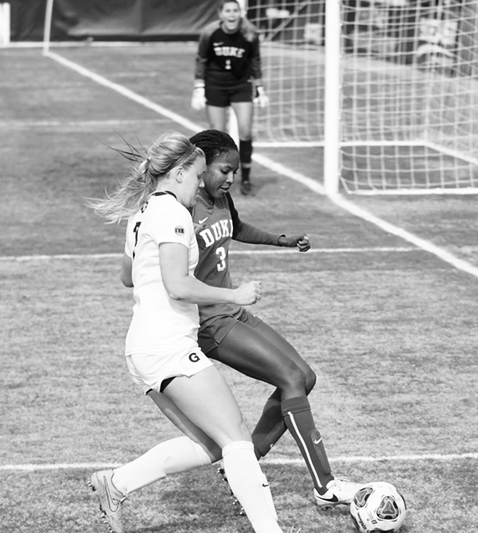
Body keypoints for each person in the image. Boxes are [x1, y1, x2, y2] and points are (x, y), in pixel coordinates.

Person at [87, 131, 286, 533]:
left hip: (143, 349)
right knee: (236, 441)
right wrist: (236, 294)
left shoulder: (141, 213)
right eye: (197, 178)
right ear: (178, 174)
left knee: (211, 445)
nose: (200, 188)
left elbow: (128, 277)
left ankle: (116, 483)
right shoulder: (173, 212)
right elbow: (178, 284)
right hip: (168, 346)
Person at [189, 129, 359, 510]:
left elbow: (235, 227)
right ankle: (325, 486)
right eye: (224, 170)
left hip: (232, 312)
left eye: (234, 171)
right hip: (210, 324)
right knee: (289, 378)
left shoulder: (220, 197)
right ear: (199, 165)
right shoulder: (182, 209)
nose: (231, 178)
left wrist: (280, 240)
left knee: (305, 377)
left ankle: (242, 469)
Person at [191, 0, 269, 197]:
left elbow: (255, 60)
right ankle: (211, 180)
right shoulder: (210, 32)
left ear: (240, 13)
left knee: (245, 131)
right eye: (228, 11)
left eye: (235, 10)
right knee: (218, 136)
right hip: (215, 85)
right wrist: (199, 87)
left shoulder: (250, 33)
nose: (232, 14)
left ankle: (246, 179)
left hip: (241, 86)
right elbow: (202, 60)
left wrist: (259, 87)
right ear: (221, 14)